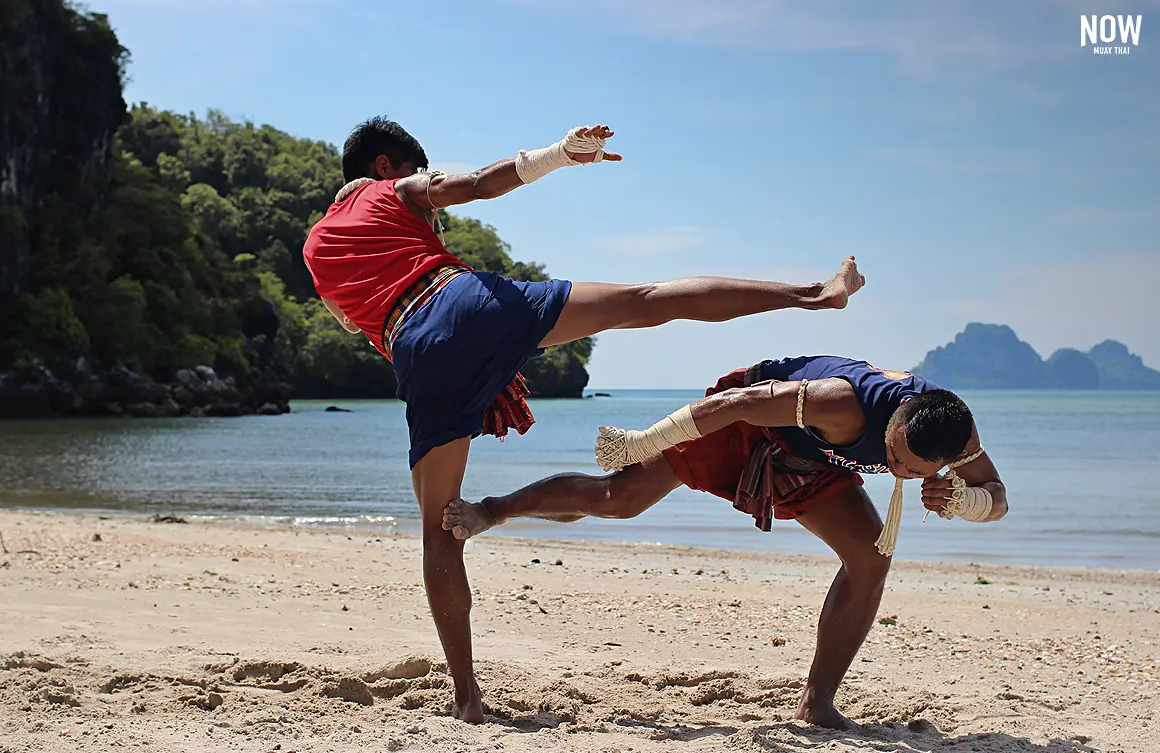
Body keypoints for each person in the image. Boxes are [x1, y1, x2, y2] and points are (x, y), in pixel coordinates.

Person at [302, 119, 866, 722]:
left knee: (440, 531)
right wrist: (556, 155)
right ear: (388, 167)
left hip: (413, 347)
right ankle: (808, 294)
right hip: (466, 301)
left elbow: (355, 321)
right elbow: (473, 184)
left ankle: (467, 699)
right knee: (647, 301)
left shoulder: (315, 249)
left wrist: (461, 373)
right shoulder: (384, 191)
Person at [442, 356, 1008, 729]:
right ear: (893, 423)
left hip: (810, 458)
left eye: (910, 470)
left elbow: (998, 499)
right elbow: (731, 406)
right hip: (744, 419)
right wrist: (643, 442)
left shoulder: (955, 433)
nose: (896, 470)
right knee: (620, 500)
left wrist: (962, 501)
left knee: (870, 557)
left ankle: (817, 704)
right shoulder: (840, 401)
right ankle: (493, 509)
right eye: (892, 456)